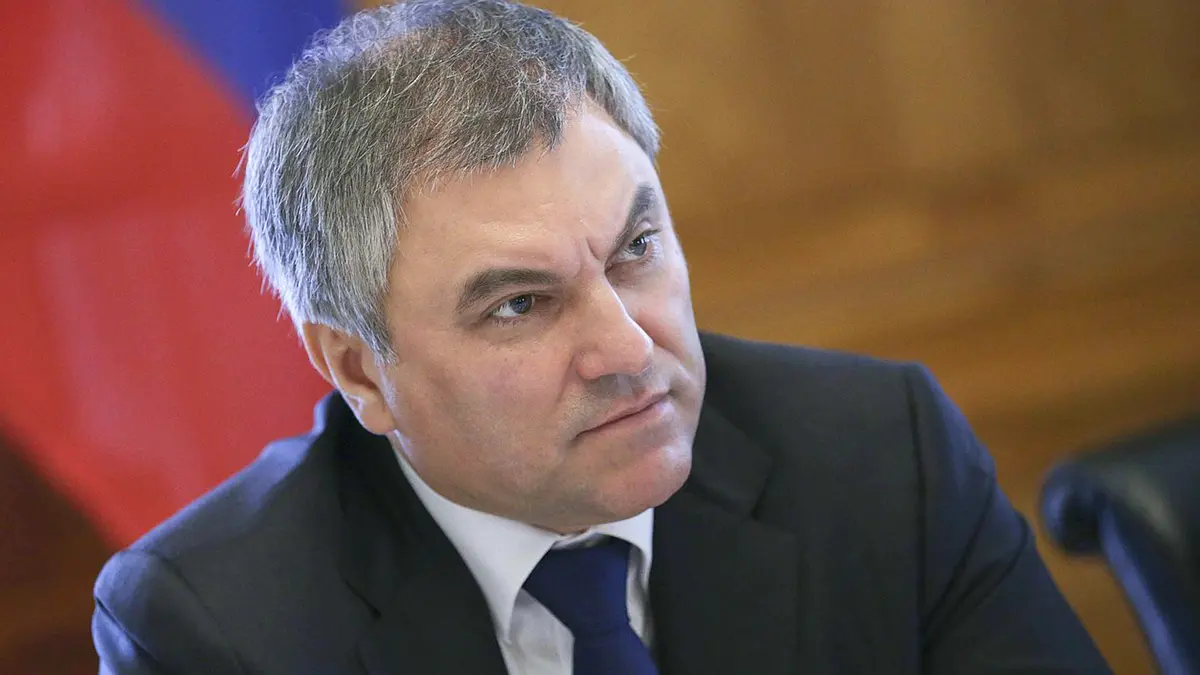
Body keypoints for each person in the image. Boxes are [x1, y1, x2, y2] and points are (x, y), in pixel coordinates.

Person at [92, 1, 1112, 673]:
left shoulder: (880, 454)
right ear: (360, 368)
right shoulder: (217, 627)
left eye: (635, 249)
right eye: (518, 305)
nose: (627, 350)